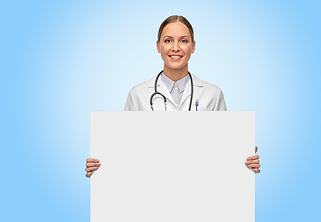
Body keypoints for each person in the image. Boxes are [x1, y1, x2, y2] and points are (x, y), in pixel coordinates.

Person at [85, 15, 260, 177]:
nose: (175, 47)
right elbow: (124, 150)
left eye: (183, 41)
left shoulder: (213, 94)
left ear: (193, 46)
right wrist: (102, 166)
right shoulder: (137, 94)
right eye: (168, 40)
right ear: (158, 46)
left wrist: (244, 160)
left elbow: (224, 150)